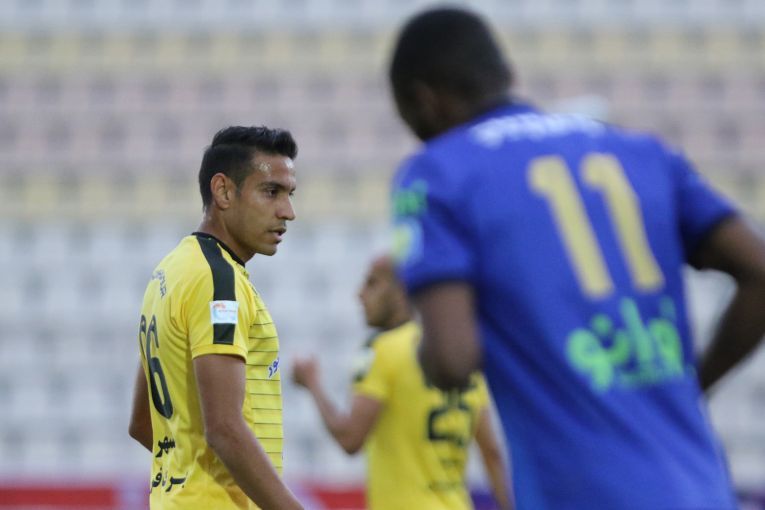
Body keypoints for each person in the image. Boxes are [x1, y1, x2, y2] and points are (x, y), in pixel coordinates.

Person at [388, 7, 765, 510]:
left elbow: (452, 361)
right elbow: (759, 269)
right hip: (703, 489)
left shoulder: (439, 174)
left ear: (423, 100)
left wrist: (424, 353)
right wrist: (694, 385)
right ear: (503, 74)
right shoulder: (641, 152)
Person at [128, 126, 304, 510]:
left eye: (289, 194)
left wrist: (188, 473)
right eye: (271, 192)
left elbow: (142, 423)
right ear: (223, 191)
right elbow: (224, 428)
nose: (288, 212)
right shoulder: (217, 281)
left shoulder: (170, 271)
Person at [291, 255, 512, 510]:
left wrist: (312, 384)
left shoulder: (384, 350)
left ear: (401, 290)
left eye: (372, 283)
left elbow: (350, 439)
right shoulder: (458, 356)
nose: (360, 294)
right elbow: (492, 453)